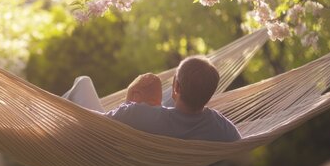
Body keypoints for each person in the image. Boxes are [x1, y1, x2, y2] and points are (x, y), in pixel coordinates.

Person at [63, 56, 241, 142]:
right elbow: (238, 140)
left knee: (83, 83)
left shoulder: (137, 113)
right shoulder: (217, 126)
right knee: (165, 101)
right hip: (147, 161)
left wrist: (130, 96)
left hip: (102, 148)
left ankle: (40, 116)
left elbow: (96, 123)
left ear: (176, 87)